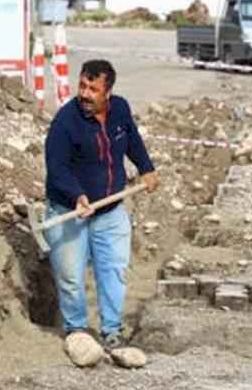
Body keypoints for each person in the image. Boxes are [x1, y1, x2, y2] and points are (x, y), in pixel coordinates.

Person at [43, 59, 159, 350]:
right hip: (70, 211)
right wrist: (76, 195)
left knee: (114, 270)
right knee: (71, 276)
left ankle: (111, 330)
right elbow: (57, 168)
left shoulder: (119, 109)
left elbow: (131, 139)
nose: (84, 93)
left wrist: (146, 168)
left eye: (92, 88)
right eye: (82, 85)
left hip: (110, 210)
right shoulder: (65, 122)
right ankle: (77, 331)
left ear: (107, 92)